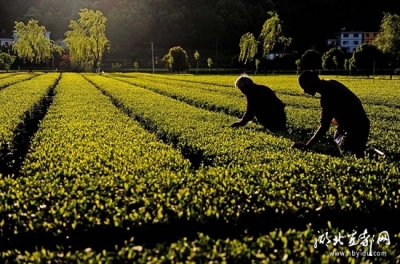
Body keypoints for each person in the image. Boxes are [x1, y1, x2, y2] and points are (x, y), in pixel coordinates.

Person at [291, 70, 370, 158]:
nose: (305, 91)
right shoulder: (331, 83)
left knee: (348, 151)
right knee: (340, 139)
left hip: (357, 129)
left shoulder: (328, 95)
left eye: (305, 87)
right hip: (362, 124)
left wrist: (307, 146)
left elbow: (324, 127)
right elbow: (344, 109)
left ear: (312, 83)